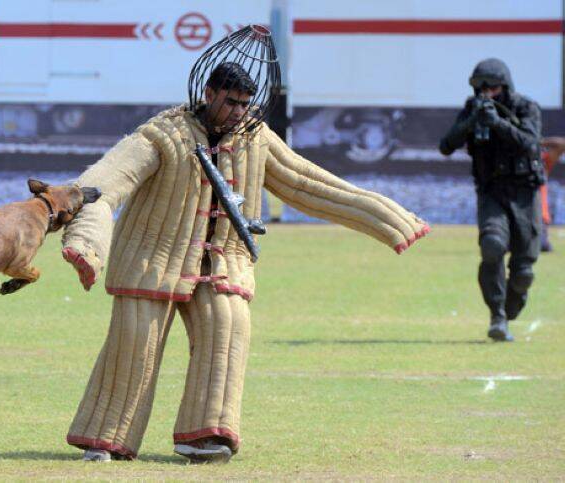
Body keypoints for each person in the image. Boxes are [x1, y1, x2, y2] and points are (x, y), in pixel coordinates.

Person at [60, 26, 428, 463]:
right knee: (134, 343)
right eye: (230, 101)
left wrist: (389, 219)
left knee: (228, 328)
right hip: (151, 261)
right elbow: (103, 186)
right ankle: (105, 439)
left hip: (222, 265)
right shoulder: (162, 134)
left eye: (244, 104)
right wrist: (86, 242)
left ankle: (202, 436)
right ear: (209, 91)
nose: (238, 111)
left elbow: (311, 185)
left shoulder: (257, 139)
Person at [439, 58, 545, 342]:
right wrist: (472, 121)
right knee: (492, 246)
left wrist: (497, 123)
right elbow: (446, 146)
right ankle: (497, 315)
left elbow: (530, 143)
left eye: (493, 88)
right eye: (481, 88)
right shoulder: (472, 108)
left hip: (524, 194)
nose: (487, 93)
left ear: (505, 86)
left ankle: (511, 304)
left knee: (523, 272)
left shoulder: (525, 107)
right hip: (492, 192)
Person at [540, 137, 564, 251]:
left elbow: (562, 144)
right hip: (517, 216)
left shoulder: (542, 162)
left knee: (542, 246)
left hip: (539, 218)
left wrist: (537, 141)